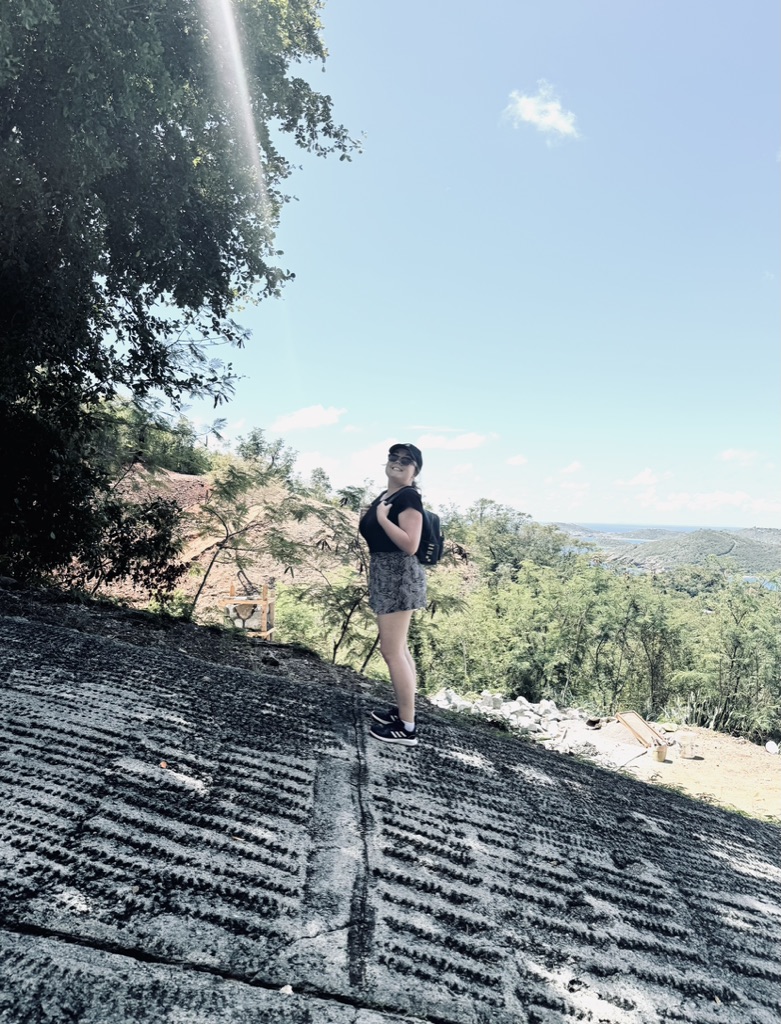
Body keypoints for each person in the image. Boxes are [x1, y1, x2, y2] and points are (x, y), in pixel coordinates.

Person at [358, 443, 427, 746]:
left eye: (406, 461)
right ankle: (403, 712)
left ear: (415, 471)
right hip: (387, 575)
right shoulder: (387, 496)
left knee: (391, 651)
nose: (398, 463)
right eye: (394, 458)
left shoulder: (409, 497)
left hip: (398, 577)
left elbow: (411, 544)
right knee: (400, 649)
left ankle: (407, 728)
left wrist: (384, 520)